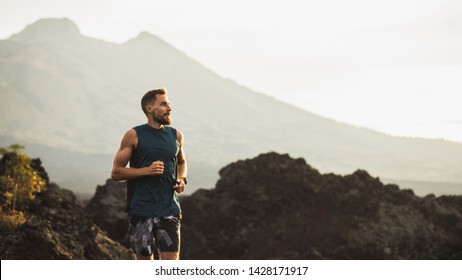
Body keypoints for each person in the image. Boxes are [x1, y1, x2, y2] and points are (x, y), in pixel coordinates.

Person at [111, 88, 187, 260]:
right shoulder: (134, 135)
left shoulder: (176, 135)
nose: (169, 108)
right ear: (149, 109)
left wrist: (182, 179)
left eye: (169, 104)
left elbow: (182, 162)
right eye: (164, 104)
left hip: (169, 210)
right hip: (141, 211)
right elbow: (116, 172)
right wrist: (147, 171)